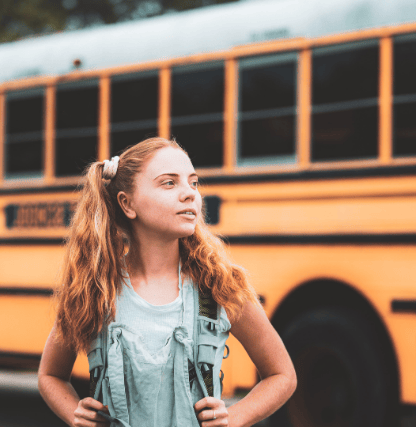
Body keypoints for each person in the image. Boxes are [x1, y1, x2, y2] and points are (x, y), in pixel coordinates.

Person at [38, 137, 296, 427]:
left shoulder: (219, 287)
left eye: (194, 183)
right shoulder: (97, 290)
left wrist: (235, 418)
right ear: (127, 203)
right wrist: (74, 413)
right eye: (169, 183)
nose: (189, 194)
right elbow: (51, 375)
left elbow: (282, 374)